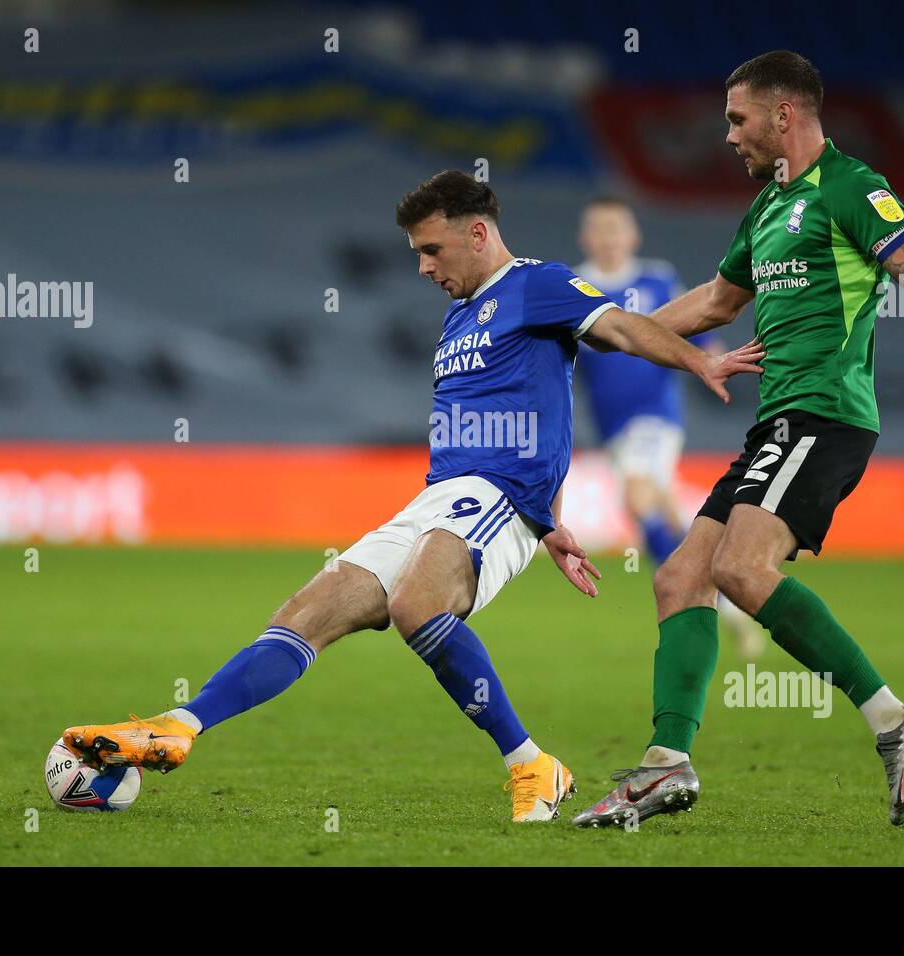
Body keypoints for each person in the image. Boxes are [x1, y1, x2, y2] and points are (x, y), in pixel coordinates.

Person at [61, 170, 764, 823]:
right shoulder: (460, 319)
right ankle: (178, 727)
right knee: (310, 608)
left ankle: (530, 765)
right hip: (441, 501)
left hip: (494, 500)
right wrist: (551, 524)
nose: (423, 267)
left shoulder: (538, 285)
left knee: (416, 605)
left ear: (478, 233)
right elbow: (507, 417)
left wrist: (696, 357)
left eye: (431, 249)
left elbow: (620, 326)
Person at [575, 50, 904, 829]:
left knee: (742, 569)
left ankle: (895, 720)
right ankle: (666, 765)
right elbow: (719, 301)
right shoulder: (764, 210)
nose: (728, 136)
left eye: (737, 118)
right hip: (777, 424)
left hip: (827, 416)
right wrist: (602, 331)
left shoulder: (853, 188)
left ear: (785, 115)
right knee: (680, 579)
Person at [575, 196, 765, 659]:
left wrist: (720, 359)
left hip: (656, 415)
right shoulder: (575, 288)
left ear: (632, 235)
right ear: (586, 237)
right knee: (664, 511)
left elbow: (702, 327)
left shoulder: (657, 279)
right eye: (599, 229)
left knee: (638, 498)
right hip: (612, 427)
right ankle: (722, 591)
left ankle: (690, 589)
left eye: (616, 228)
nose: (608, 238)